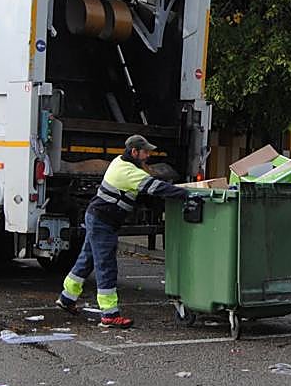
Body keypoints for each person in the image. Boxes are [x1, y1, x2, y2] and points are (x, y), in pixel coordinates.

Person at [55, 135, 191, 328]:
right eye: (145, 152)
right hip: (103, 221)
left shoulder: (119, 162)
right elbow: (156, 188)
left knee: (87, 260)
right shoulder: (128, 171)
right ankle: (109, 314)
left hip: (97, 218)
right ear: (134, 152)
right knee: (106, 266)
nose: (148, 155)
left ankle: (67, 298)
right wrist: (187, 194)